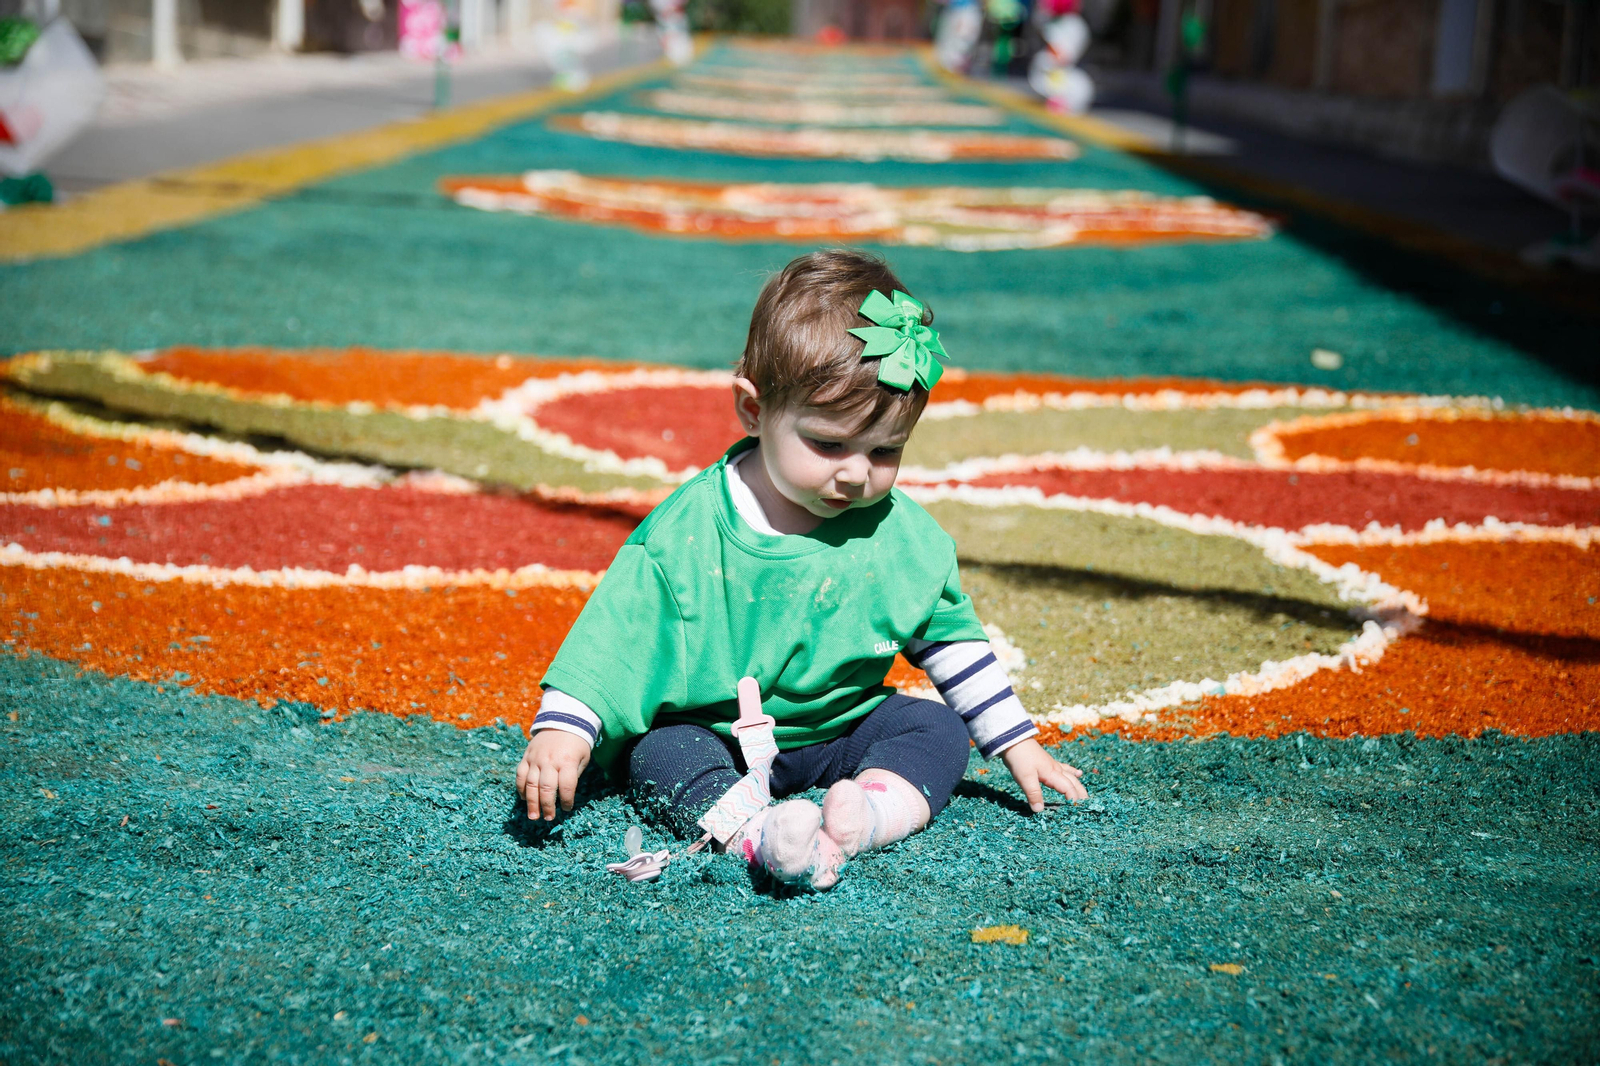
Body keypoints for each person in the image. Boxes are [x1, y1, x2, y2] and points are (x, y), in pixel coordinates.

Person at [515, 249, 1088, 890]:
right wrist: (564, 729)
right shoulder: (689, 532)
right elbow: (617, 638)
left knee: (937, 729)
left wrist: (1016, 743)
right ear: (754, 411)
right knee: (659, 755)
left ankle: (864, 817)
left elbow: (949, 639)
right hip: (717, 735)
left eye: (886, 450)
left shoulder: (897, 534)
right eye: (828, 443)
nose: (856, 472)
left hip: (842, 727)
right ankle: (759, 835)